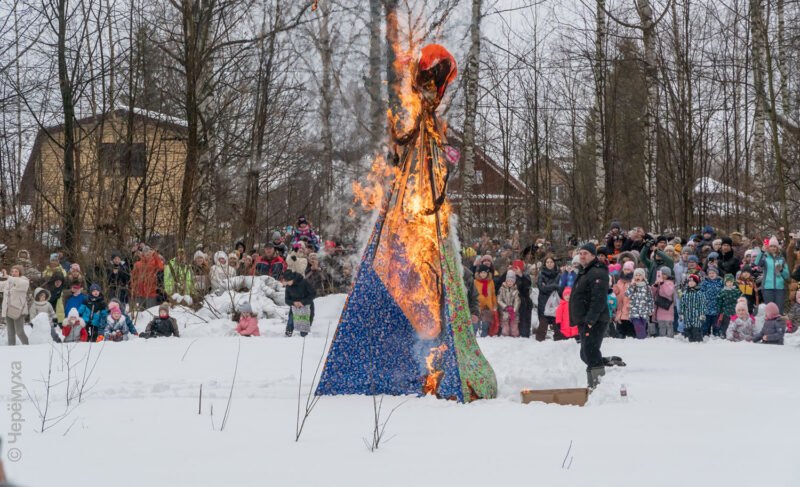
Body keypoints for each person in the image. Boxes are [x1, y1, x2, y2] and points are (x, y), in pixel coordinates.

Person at [569, 243, 610, 389]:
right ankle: (596, 377)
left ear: (593, 255)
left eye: (585, 253)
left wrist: (591, 320)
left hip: (595, 319)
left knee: (590, 352)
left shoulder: (597, 272)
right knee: (585, 353)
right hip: (585, 319)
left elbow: (598, 299)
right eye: (580, 253)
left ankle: (597, 386)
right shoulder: (585, 271)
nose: (582, 256)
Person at [757, 236, 789, 312]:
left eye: (775, 246)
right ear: (768, 247)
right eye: (771, 246)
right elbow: (757, 263)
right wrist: (762, 252)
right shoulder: (765, 257)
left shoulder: (782, 259)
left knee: (779, 310)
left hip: (779, 288)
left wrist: (781, 270)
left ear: (777, 248)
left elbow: (787, 276)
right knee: (769, 311)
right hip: (767, 288)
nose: (773, 248)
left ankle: (779, 320)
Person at [0, 266, 30, 345]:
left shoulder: (24, 281)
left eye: (16, 271)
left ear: (20, 272)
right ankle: (12, 348)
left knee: (19, 332)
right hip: (8, 310)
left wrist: (8, 276)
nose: (14, 273)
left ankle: (27, 347)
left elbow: (19, 283)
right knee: (10, 332)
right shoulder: (8, 282)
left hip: (18, 310)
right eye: (12, 271)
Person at [282, 270, 316, 337]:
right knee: (291, 321)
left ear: (292, 279)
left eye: (287, 281)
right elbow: (286, 300)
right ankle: (289, 332)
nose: (286, 283)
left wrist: (303, 302)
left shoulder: (304, 282)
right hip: (295, 306)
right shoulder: (288, 286)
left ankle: (303, 336)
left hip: (306, 305)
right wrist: (293, 303)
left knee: (304, 332)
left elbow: (313, 294)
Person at [535, 256, 561, 341]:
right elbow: (541, 288)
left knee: (557, 321)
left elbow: (560, 287)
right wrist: (554, 286)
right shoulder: (541, 274)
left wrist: (547, 286)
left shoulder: (558, 274)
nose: (549, 264)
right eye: (547, 262)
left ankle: (559, 339)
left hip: (555, 301)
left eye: (551, 262)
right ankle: (539, 341)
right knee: (543, 323)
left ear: (554, 263)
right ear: (545, 264)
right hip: (544, 301)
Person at [131, 247, 164, 311]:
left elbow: (161, 267)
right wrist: (134, 289)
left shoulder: (154, 263)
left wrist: (155, 255)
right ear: (143, 254)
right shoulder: (137, 264)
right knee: (140, 313)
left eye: (149, 253)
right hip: (140, 292)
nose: (148, 254)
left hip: (151, 292)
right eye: (146, 253)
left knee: (151, 311)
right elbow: (133, 278)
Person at [626, 268, 654, 339]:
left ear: (643, 277)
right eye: (636, 275)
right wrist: (632, 285)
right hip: (634, 311)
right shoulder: (632, 286)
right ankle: (641, 338)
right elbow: (627, 294)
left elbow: (650, 299)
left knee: (643, 325)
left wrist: (651, 310)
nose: (638, 277)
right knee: (637, 325)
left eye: (640, 275)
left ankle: (642, 337)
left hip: (644, 311)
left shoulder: (647, 287)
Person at [680, 274, 706, 342]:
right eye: (690, 281)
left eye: (693, 281)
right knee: (688, 328)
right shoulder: (685, 293)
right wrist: (682, 313)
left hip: (697, 315)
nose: (691, 283)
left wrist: (702, 314)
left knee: (696, 328)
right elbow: (682, 304)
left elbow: (703, 304)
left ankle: (698, 340)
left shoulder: (700, 293)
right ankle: (690, 340)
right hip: (687, 315)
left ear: (696, 283)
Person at [511, 260, 533, 338]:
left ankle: (525, 333)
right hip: (513, 301)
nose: (515, 270)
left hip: (524, 301)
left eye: (517, 268)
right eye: (514, 268)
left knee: (524, 318)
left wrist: (521, 275)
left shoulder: (525, 276)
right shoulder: (511, 275)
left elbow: (528, 285)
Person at [474, 264, 498, 337]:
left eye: (484, 273)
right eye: (481, 273)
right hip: (477, 304)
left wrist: (494, 304)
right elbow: (473, 294)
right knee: (475, 321)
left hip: (487, 305)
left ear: (487, 273)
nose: (483, 274)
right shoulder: (475, 282)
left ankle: (484, 334)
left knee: (486, 321)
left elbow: (493, 293)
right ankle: (474, 333)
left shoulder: (490, 282)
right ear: (479, 273)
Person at [613, 261, 635, 338]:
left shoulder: (633, 281)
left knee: (628, 324)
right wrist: (615, 289)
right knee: (620, 324)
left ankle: (630, 335)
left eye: (628, 269)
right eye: (625, 269)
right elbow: (617, 293)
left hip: (628, 307)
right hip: (620, 307)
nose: (626, 271)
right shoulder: (619, 281)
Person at [652, 267, 675, 337]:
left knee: (668, 324)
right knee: (661, 324)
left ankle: (669, 337)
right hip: (659, 308)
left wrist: (662, 284)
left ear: (668, 275)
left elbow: (668, 292)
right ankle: (662, 338)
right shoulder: (659, 282)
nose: (663, 276)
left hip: (667, 308)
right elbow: (652, 293)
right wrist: (655, 285)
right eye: (661, 274)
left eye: (665, 274)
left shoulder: (670, 283)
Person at [700, 266, 724, 336]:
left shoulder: (720, 282)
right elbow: (701, 291)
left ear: (716, 274)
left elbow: (723, 291)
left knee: (715, 321)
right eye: (710, 273)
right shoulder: (705, 282)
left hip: (716, 305)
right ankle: (705, 332)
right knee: (706, 321)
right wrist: (704, 298)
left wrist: (720, 298)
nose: (711, 274)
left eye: (713, 273)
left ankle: (716, 332)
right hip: (707, 305)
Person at [497, 270, 521, 337]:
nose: (510, 283)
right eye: (508, 281)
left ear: (514, 282)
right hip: (505, 311)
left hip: (514, 312)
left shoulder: (516, 290)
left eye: (512, 281)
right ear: (506, 281)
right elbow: (499, 300)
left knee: (514, 328)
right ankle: (505, 335)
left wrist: (514, 309)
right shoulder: (502, 289)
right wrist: (505, 307)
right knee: (505, 328)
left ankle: (514, 335)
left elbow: (517, 301)